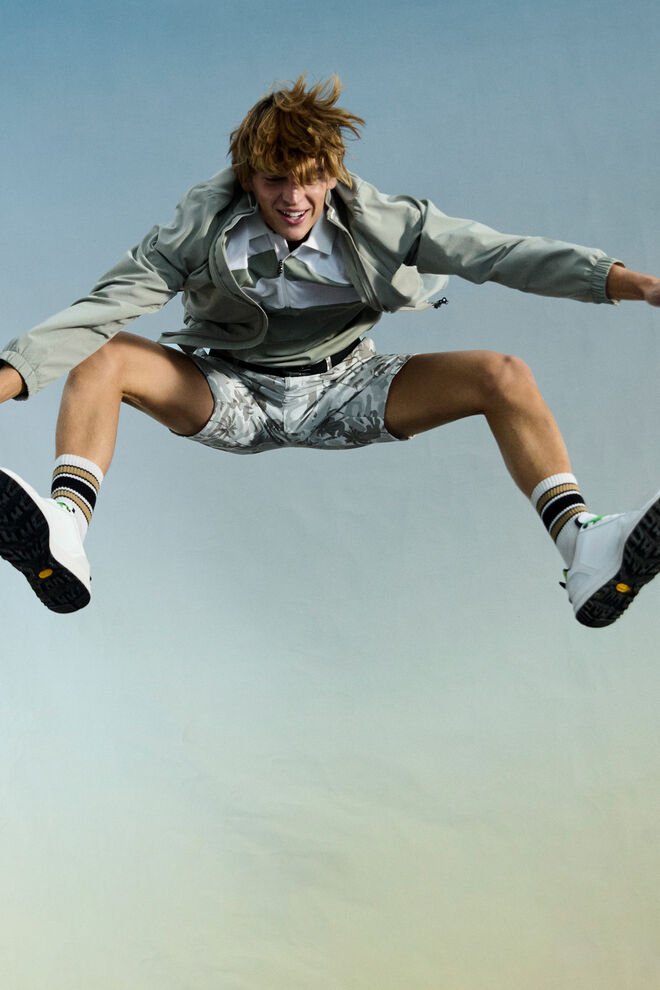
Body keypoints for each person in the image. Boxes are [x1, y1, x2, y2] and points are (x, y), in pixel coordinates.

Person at [1, 75, 659, 626]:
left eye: (308, 179)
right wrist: (9, 376)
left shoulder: (382, 219)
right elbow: (103, 307)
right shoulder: (200, 222)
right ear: (246, 176)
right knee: (106, 354)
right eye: (272, 181)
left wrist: (628, 281)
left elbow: (499, 254)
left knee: (503, 375)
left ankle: (583, 543)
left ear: (332, 171)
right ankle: (65, 528)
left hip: (347, 385)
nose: (292, 198)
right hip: (232, 389)